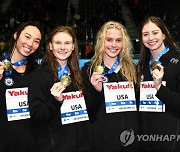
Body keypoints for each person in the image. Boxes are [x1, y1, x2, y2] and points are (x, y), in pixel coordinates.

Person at [28, 26, 92, 152]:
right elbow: (36, 117)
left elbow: (87, 110)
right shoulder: (39, 75)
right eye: (58, 43)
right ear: (50, 46)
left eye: (67, 43)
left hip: (81, 146)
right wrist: (55, 101)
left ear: (73, 46)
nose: (63, 47)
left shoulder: (78, 74)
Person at [81, 21, 139, 152]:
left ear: (123, 43)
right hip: (102, 142)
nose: (114, 45)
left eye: (118, 40)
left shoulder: (133, 69)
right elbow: (86, 111)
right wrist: (96, 91)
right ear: (102, 41)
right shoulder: (88, 70)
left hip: (131, 141)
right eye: (109, 40)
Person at [137, 16, 180, 152]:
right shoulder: (141, 66)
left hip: (170, 138)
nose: (150, 38)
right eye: (145, 34)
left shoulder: (178, 63)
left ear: (164, 34)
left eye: (155, 33)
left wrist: (160, 88)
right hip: (144, 139)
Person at [0, 21, 43, 152]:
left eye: (36, 41)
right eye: (27, 37)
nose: (30, 44)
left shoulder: (38, 72)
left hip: (32, 144)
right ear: (16, 35)